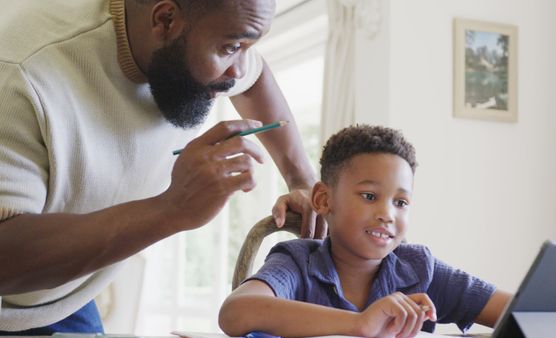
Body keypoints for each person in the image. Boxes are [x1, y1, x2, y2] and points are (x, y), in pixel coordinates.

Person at [0, 0, 325, 334]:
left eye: (246, 48)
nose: (238, 70)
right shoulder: (21, 75)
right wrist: (171, 209)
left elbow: (255, 79)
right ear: (166, 19)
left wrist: (301, 179)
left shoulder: (206, 29)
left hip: (68, 293)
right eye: (231, 48)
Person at [219, 125, 556, 337]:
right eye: (369, 196)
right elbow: (235, 312)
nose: (388, 214)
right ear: (324, 201)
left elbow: (519, 312)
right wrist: (360, 324)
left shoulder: (419, 268)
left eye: (401, 202)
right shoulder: (299, 262)